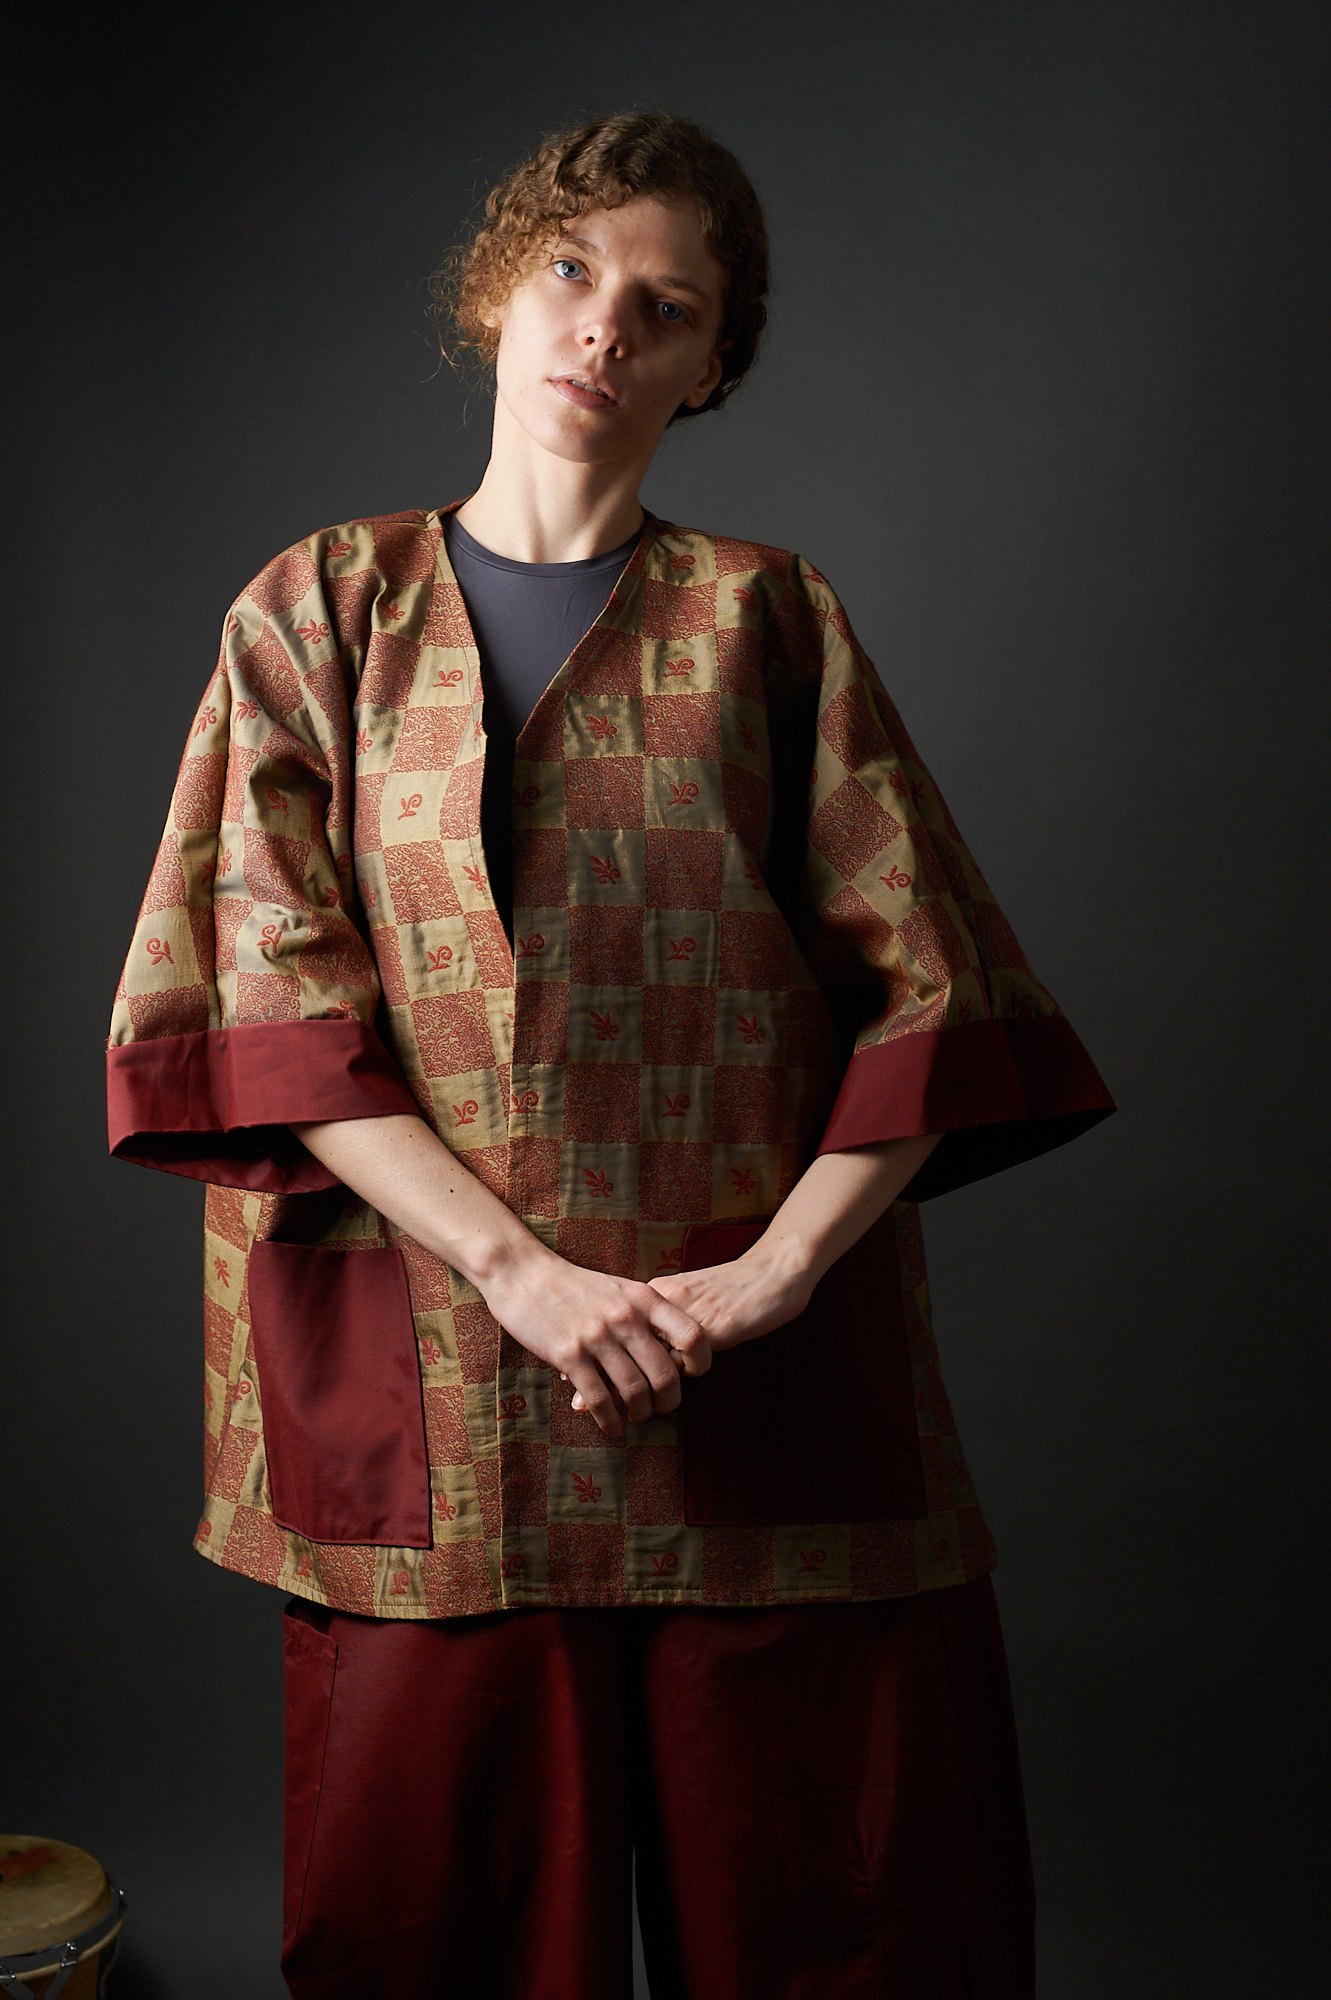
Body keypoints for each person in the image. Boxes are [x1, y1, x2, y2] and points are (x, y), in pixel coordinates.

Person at [107, 112, 1114, 2000]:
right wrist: (522, 1274)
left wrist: (768, 1280)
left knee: (850, 1931)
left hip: (757, 1386)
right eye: (573, 272)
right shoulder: (316, 611)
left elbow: (935, 1002)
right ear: (496, 292)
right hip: (440, 1392)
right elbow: (268, 1009)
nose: (606, 327)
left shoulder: (772, 622)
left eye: (669, 307)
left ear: (708, 368)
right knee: (439, 1937)